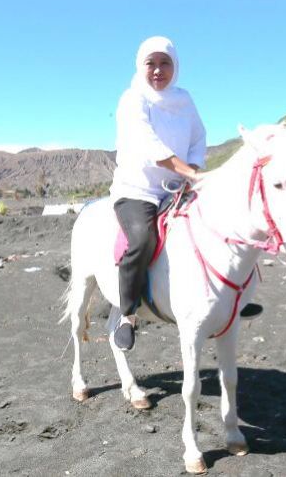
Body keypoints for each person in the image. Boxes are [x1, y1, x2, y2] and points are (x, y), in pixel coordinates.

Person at [108, 36, 260, 351]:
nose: (158, 70)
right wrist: (189, 172)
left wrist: (193, 168)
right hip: (138, 190)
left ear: (175, 67)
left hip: (178, 186)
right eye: (151, 63)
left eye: (166, 63)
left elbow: (198, 136)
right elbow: (148, 144)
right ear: (141, 65)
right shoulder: (132, 99)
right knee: (141, 239)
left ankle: (234, 299)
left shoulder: (184, 100)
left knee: (220, 223)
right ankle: (127, 315)